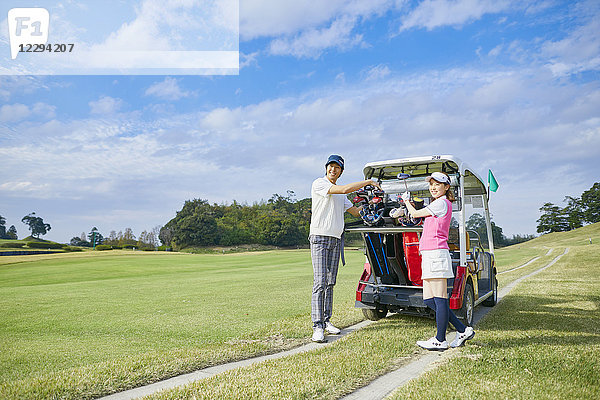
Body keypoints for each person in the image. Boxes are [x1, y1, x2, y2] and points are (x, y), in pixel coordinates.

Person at [310, 155, 381, 342]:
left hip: (335, 239)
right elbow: (343, 189)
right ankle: (317, 326)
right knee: (320, 281)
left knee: (331, 282)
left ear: (341, 171)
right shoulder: (320, 184)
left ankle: (326, 321)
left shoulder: (342, 196)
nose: (333, 170)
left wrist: (371, 204)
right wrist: (368, 182)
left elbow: (355, 211)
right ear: (326, 168)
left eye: (337, 168)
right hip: (319, 238)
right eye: (331, 166)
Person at [401, 171, 475, 351]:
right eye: (431, 184)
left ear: (446, 187)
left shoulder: (442, 203)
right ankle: (462, 329)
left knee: (441, 299)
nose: (433, 188)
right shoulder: (437, 204)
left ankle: (440, 339)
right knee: (429, 300)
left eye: (438, 184)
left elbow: (416, 214)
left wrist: (406, 201)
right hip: (429, 254)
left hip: (436, 254)